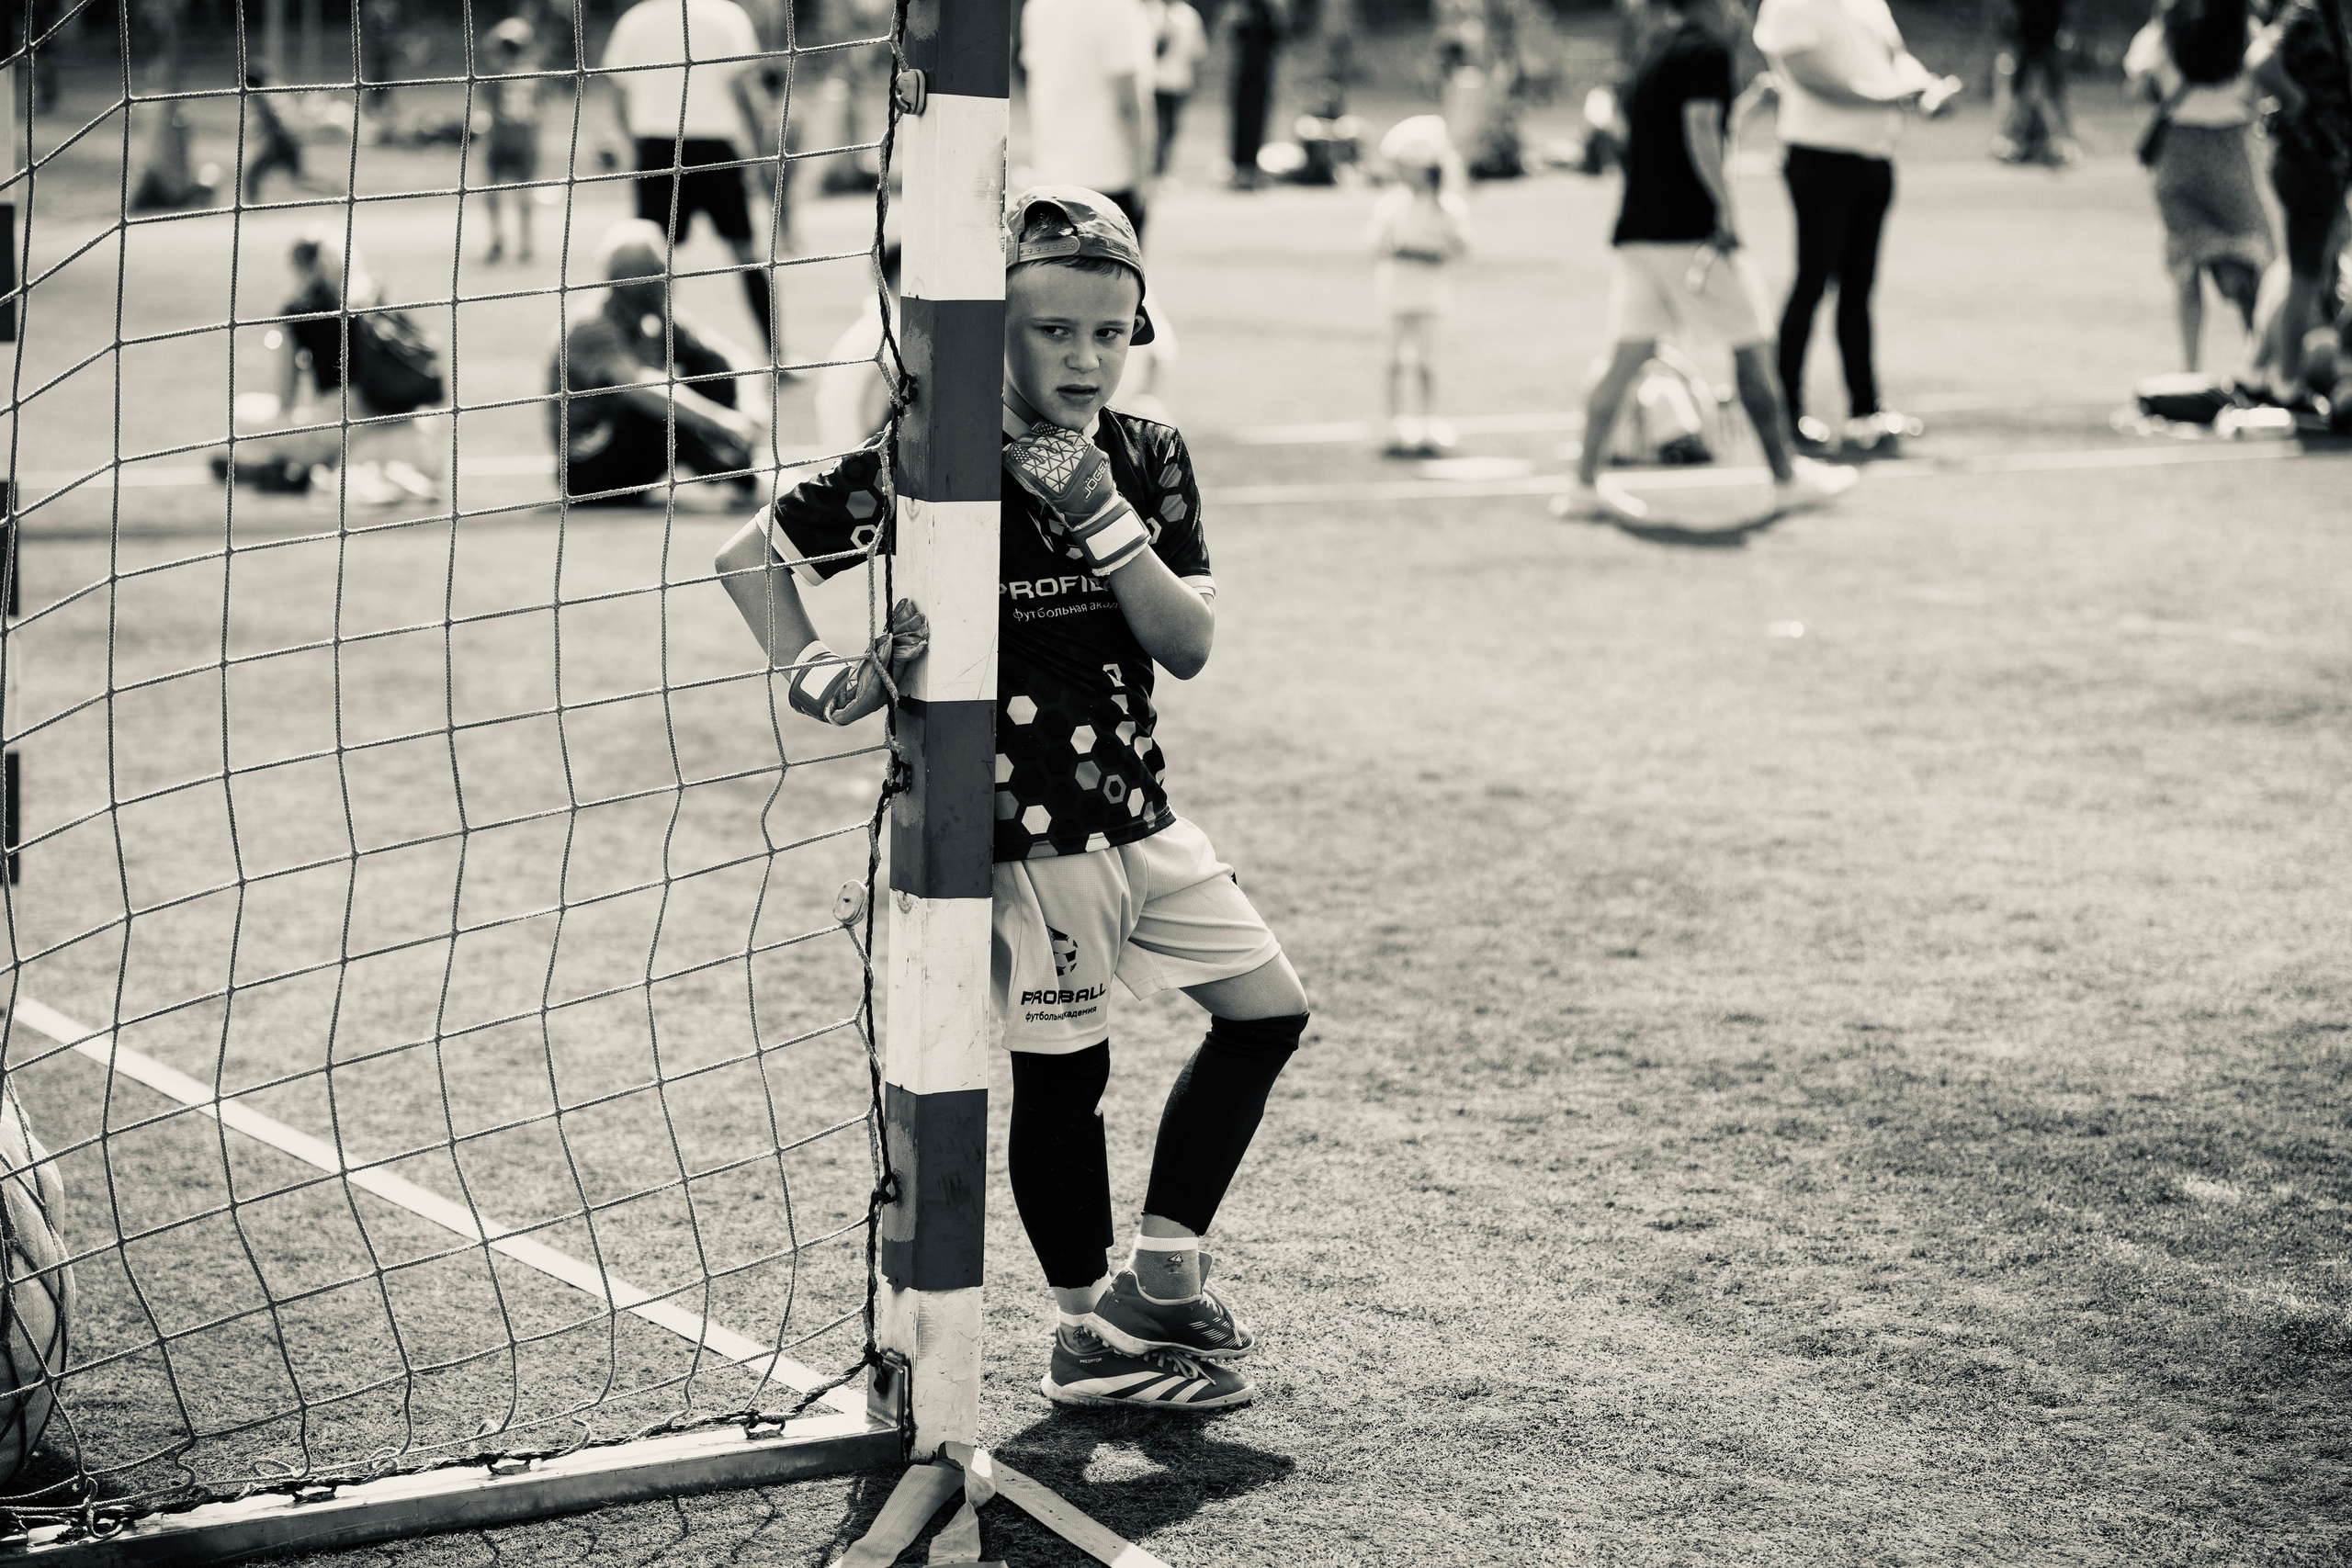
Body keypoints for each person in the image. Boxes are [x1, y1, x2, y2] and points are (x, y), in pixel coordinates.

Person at [714, 187, 1309, 1412]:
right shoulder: (931, 463)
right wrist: (820, 672)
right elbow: (752, 558)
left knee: (1265, 1011)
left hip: (1139, 808)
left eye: (1112, 330)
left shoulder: (1146, 454)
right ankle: (1084, 1333)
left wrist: (1099, 512)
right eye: (1055, 332)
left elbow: (1187, 642)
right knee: (1064, 1079)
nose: (1089, 357)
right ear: (997, 328)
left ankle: (1162, 1273)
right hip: (1026, 831)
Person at [1559, 0, 1854, 525]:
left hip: (1639, 227)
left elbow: (1672, 132)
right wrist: (1724, 209)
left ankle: (1584, 484)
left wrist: (1743, 112)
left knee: (1627, 356)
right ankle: (1787, 479)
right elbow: (1698, 129)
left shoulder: (1657, 50)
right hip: (1688, 230)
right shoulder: (1709, 51)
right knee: (1753, 346)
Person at [1752, 0, 1957, 458]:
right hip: (1820, 156)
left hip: (1874, 157)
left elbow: (1895, 56)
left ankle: (1866, 410)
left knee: (1858, 290)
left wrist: (1923, 89)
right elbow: (1811, 77)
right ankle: (1786, 412)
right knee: (1811, 284)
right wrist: (1893, 95)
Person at [596, 0, 782, 358]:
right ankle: (777, 354)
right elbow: (744, 92)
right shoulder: (726, 15)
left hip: (657, 148)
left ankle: (640, 356)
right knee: (745, 254)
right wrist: (761, 153)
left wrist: (635, 146)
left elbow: (618, 93)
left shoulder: (636, 20)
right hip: (714, 149)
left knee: (648, 258)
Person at [549, 220, 763, 504]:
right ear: (637, 283)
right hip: (586, 466)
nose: (670, 278)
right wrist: (719, 422)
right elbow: (639, 386)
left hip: (629, 453)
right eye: (659, 270)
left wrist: (751, 405)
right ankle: (740, 478)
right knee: (659, 407)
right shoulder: (591, 326)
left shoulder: (657, 319)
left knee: (709, 365)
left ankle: (739, 470)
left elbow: (732, 357)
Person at [2125, 0, 2274, 372]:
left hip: (2177, 150)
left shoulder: (2165, 28)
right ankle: (2256, 366)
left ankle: (2190, 370)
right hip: (2231, 150)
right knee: (2252, 258)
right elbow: (2259, 89)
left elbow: (2137, 84)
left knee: (2186, 267)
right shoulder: (2245, 27)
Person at [279, 230, 443, 507]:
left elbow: (284, 399)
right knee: (367, 464)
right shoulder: (376, 297)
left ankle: (337, 476)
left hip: (340, 423)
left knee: (244, 419)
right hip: (414, 428)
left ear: (299, 267)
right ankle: (383, 477)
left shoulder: (299, 310)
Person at [2248, 0, 2352, 400]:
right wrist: (2298, 103)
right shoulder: (2308, 11)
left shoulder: (2327, 13)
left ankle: (2258, 369)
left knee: (2309, 266)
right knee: (2304, 274)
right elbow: (2259, 61)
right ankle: (2285, 381)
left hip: (2323, 164)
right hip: (2309, 162)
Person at [1367, 116, 1474, 457]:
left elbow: (1460, 248)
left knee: (1428, 361)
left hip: (1430, 294)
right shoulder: (1392, 205)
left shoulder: (1448, 207)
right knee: (1394, 360)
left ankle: (1428, 421)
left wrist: (1427, 252)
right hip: (1396, 291)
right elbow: (1376, 245)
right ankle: (1395, 423)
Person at [1021, 0, 1157, 241]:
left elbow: (1037, 82)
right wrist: (1143, 180)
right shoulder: (1116, 7)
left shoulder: (1039, 5)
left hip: (1053, 176)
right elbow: (1128, 103)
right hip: (1110, 176)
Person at [479, 17, 545, 264]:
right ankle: (526, 243)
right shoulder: (534, 73)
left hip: (499, 139)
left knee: (493, 191)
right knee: (524, 193)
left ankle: (497, 239)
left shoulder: (496, 73)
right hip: (525, 140)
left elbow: (489, 99)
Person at [1990, 0, 2079, 165]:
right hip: (2024, 39)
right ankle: (2008, 139)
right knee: (2017, 92)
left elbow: (2065, 9)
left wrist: (2066, 29)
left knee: (2056, 92)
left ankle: (2065, 141)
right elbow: (2008, 10)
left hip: (2049, 39)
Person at [1227, 0, 1288, 190]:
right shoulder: (1242, 8)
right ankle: (1239, 168)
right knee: (1241, 124)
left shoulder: (1268, 11)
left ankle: (1251, 168)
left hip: (1262, 76)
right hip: (1244, 77)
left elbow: (1280, 38)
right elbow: (1234, 36)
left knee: (1257, 124)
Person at [1147, 0, 1212, 177]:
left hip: (1178, 82)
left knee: (1171, 129)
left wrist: (1197, 80)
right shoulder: (1151, 12)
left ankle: (1162, 169)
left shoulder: (1188, 16)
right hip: (1154, 82)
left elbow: (1197, 52)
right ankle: (1150, 167)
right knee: (1154, 128)